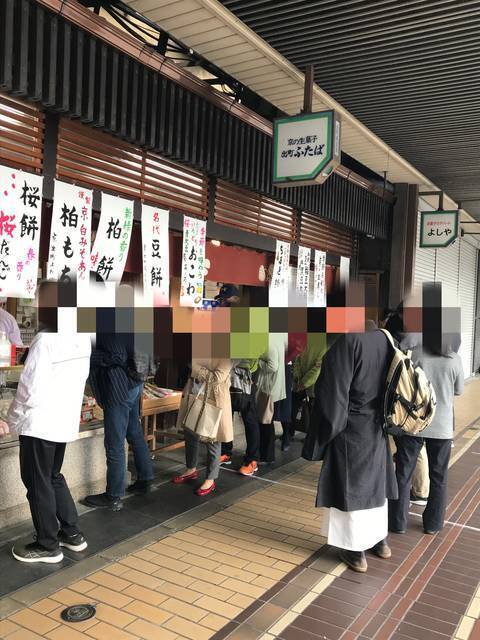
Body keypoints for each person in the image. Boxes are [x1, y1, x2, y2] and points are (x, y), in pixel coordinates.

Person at [0, 281, 91, 563]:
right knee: (52, 476)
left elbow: (29, 390)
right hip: (62, 420)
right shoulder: (81, 334)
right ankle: (72, 533)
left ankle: (47, 544)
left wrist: (10, 419)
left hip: (39, 423)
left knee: (37, 481)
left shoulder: (46, 338)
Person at [312, 330, 397, 573]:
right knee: (376, 488)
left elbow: (333, 394)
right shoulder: (386, 338)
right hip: (378, 426)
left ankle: (355, 551)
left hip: (351, 429)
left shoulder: (348, 342)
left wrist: (327, 431)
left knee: (350, 488)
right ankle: (380, 542)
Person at [389, 333, 464, 535]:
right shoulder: (455, 359)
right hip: (442, 428)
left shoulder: (417, 354)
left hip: (416, 423)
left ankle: (397, 522)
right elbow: (458, 390)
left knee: (403, 473)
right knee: (439, 477)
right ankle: (433, 524)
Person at [85, 328, 155, 510]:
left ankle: (113, 496)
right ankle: (145, 479)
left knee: (114, 443)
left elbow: (116, 354)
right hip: (133, 382)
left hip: (118, 386)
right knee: (134, 432)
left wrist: (87, 355)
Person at [172, 358, 233, 495]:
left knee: (212, 439)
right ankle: (190, 469)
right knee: (190, 433)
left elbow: (217, 377)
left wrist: (196, 369)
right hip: (194, 394)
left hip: (214, 400)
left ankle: (210, 479)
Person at [285, 332, 327, 450]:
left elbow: (317, 369)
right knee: (295, 409)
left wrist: (302, 381)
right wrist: (300, 381)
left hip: (311, 385)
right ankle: (291, 433)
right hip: (304, 383)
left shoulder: (322, 344)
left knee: (311, 412)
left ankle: (308, 437)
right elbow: (298, 360)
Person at [256, 333, 288, 464]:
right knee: (267, 421)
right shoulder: (277, 337)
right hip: (271, 386)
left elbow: (272, 366)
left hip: (268, 387)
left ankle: (267, 456)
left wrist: (258, 361)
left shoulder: (269, 341)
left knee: (266, 421)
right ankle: (265, 455)